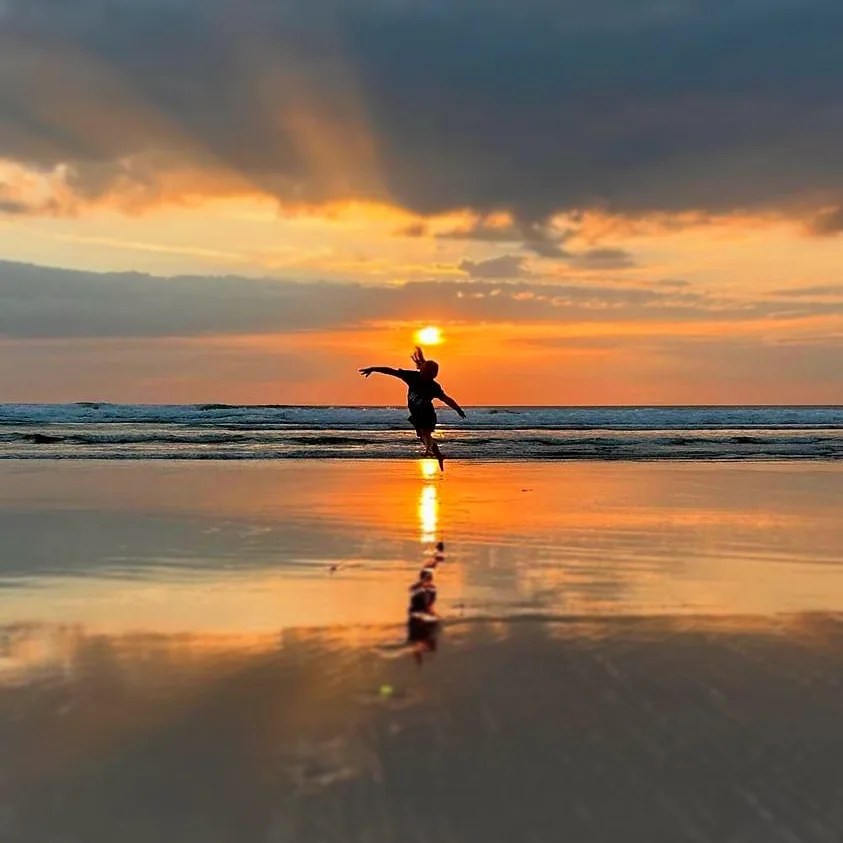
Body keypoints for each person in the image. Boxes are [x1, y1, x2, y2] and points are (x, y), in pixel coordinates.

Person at [359, 347, 466, 470]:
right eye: (426, 375)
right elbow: (391, 371)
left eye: (431, 376)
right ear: (422, 371)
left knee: (425, 434)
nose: (427, 378)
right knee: (423, 436)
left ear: (433, 376)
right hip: (416, 414)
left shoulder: (433, 386)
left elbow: (446, 399)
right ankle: (436, 454)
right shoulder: (412, 376)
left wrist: (458, 409)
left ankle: (431, 451)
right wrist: (373, 369)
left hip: (427, 413)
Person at [407, 567, 439, 662]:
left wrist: (432, 612)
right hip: (418, 615)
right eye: (426, 579)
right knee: (421, 639)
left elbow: (430, 604)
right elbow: (425, 604)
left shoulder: (430, 589)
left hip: (419, 615)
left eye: (428, 579)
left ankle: (419, 650)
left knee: (422, 640)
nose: (427, 581)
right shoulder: (418, 589)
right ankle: (419, 651)